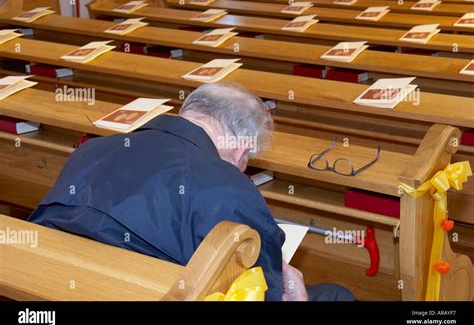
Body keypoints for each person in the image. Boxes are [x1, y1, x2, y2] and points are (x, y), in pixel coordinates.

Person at [29, 82, 353, 301]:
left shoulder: (93, 149)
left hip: (54, 284)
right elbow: (259, 292)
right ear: (241, 149)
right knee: (336, 295)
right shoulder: (228, 186)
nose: (242, 168)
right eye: (247, 161)